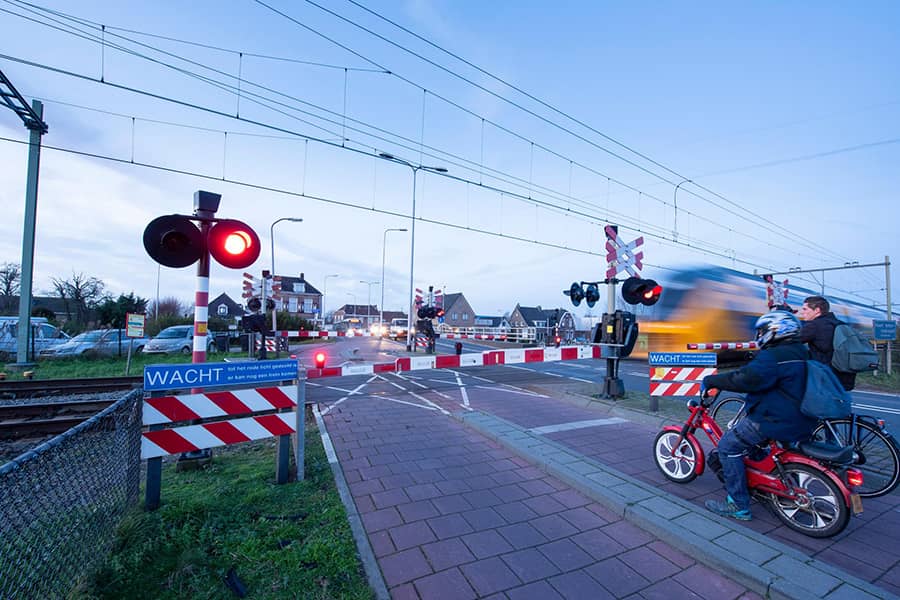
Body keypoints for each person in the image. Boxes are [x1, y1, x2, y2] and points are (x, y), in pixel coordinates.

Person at [701, 310, 817, 521]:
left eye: (763, 331)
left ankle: (738, 504)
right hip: (803, 418)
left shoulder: (774, 356)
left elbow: (745, 379)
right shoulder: (803, 352)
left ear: (776, 331)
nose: (760, 336)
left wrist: (712, 381)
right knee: (756, 447)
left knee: (728, 447)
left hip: (774, 419)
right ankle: (761, 485)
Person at [797, 295, 856, 391]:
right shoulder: (841, 324)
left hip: (823, 379)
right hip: (844, 379)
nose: (802, 312)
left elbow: (792, 340)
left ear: (817, 310)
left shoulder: (814, 326)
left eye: (805, 309)